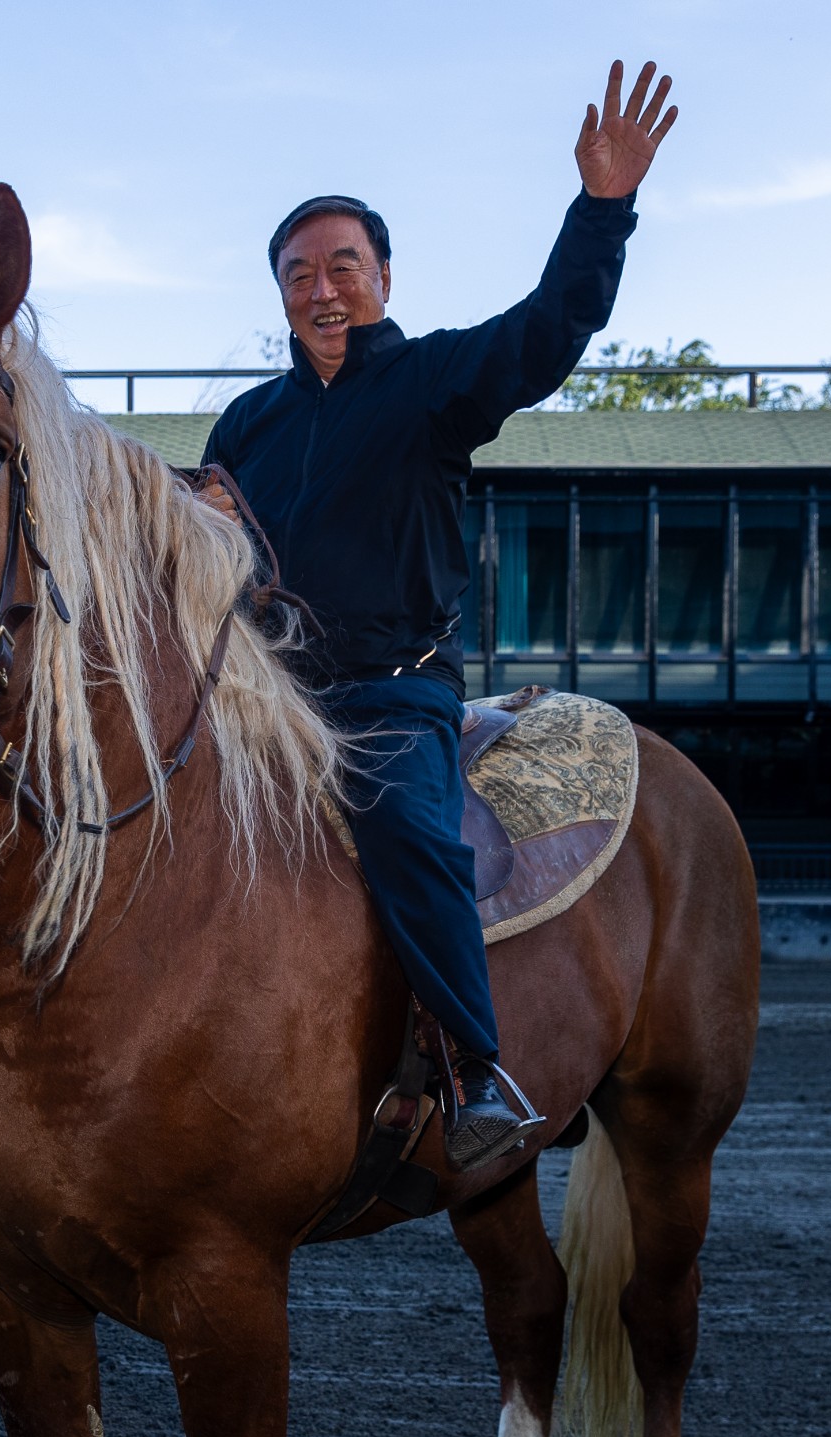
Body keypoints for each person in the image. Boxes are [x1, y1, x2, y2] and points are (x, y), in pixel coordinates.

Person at [203, 59, 679, 1170]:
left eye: (342, 266)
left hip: (384, 695)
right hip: (260, 699)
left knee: (408, 831)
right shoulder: (247, 423)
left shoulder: (431, 381)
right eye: (297, 273)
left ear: (381, 275)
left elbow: (549, 328)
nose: (321, 289)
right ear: (277, 291)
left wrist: (602, 208)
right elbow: (213, 565)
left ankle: (475, 1075)